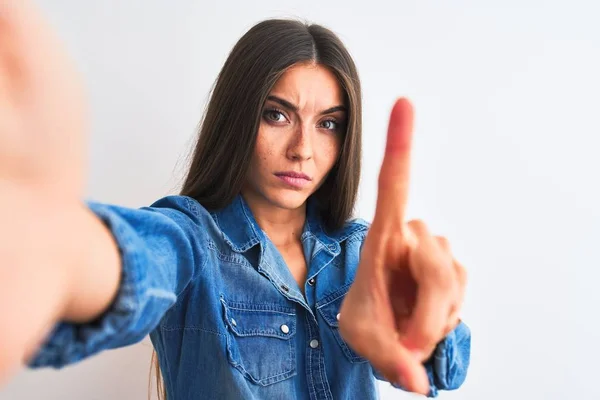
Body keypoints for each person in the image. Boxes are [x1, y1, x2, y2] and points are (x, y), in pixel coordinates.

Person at [0, 1, 471, 399]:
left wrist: (422, 326)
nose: (303, 148)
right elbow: (133, 262)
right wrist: (52, 245)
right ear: (239, 117)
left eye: (328, 123)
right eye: (276, 115)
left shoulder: (361, 255)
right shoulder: (190, 238)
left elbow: (447, 368)